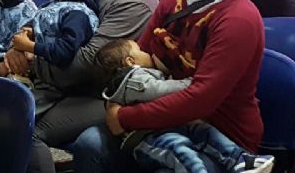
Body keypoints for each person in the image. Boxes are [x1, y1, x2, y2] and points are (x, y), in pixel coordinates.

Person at [73, 0, 266, 173]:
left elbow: (202, 99)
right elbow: (140, 57)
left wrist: (126, 117)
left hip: (220, 135)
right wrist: (118, 97)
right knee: (89, 144)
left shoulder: (238, 18)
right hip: (165, 117)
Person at [24, 0, 160, 173]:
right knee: (1, 109)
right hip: (68, 89)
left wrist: (30, 57)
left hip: (107, 95)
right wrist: (21, 46)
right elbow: (46, 20)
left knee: (25, 130)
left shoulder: (134, 0)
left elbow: (84, 66)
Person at [95, 39, 274, 173]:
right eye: (140, 50)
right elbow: (161, 90)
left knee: (204, 131)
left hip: (168, 125)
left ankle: (241, 160)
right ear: (130, 61)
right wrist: (192, 84)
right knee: (180, 150)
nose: (146, 51)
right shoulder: (133, 80)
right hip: (148, 137)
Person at [7, 0, 100, 116]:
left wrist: (30, 46)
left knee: (12, 115)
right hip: (38, 79)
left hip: (58, 89)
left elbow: (66, 50)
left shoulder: (78, 12)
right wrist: (30, 33)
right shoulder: (50, 6)